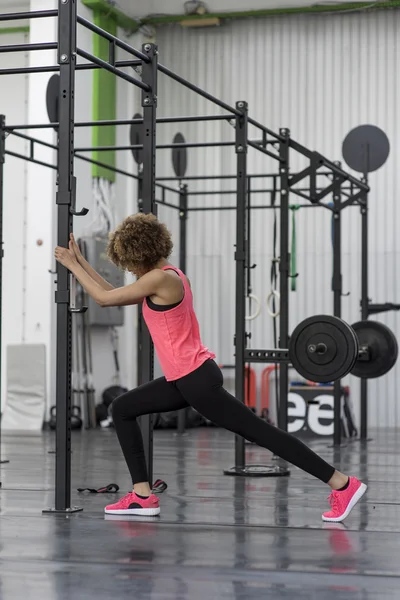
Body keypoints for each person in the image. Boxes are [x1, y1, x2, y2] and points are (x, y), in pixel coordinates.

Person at [55, 213, 367, 523]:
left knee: (263, 434)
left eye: (128, 262)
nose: (129, 270)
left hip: (195, 380)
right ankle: (141, 496)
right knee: (122, 408)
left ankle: (342, 484)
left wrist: (71, 266)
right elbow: (111, 293)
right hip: (186, 378)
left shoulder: (160, 279)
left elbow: (105, 300)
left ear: (140, 252)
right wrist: (81, 262)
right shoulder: (170, 275)